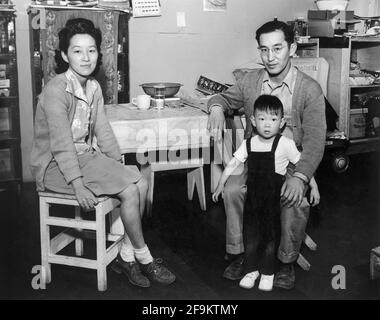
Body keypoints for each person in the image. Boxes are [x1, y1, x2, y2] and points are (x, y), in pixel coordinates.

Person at [30, 18, 175, 288]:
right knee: (131, 189)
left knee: (140, 181)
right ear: (64, 55)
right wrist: (78, 185)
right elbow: (61, 144)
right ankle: (144, 258)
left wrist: (117, 162)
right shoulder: (55, 91)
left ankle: (125, 255)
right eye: (77, 50)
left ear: (99, 53)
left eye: (92, 50)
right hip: (54, 167)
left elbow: (103, 130)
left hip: (84, 158)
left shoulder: (93, 87)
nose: (86, 57)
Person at [207, 19, 326, 289]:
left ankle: (285, 261)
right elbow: (222, 98)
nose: (270, 57)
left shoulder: (309, 89)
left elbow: (317, 140)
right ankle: (240, 253)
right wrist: (216, 107)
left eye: (277, 48)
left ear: (292, 48)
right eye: (264, 50)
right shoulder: (250, 81)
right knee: (233, 189)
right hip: (256, 159)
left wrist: (302, 177)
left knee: (293, 198)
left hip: (290, 162)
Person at [212, 95, 320, 291]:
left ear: (281, 123)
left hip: (272, 200)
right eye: (262, 119)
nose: (267, 125)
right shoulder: (249, 144)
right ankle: (251, 270)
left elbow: (302, 164)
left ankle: (268, 273)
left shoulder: (285, 144)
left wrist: (314, 187)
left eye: (273, 119)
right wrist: (221, 184)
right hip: (253, 199)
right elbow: (233, 164)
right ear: (253, 121)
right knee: (251, 234)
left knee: (270, 237)